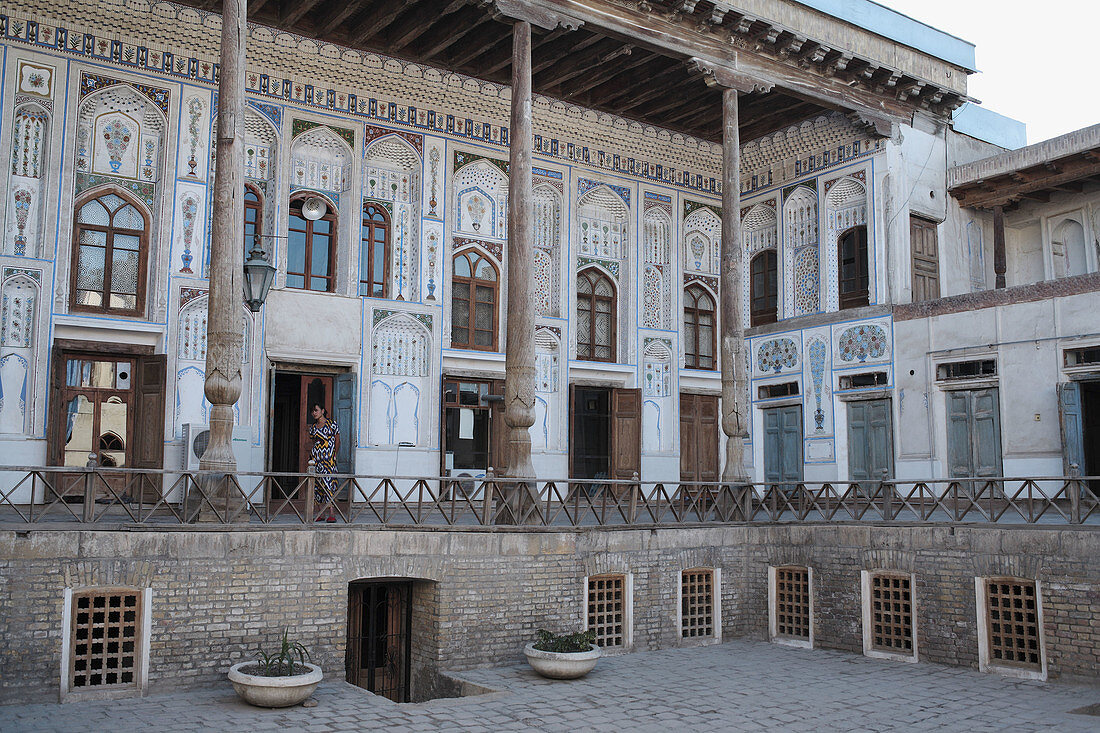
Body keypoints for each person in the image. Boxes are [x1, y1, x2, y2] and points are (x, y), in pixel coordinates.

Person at [307, 403, 340, 522]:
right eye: (312, 411)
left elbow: (337, 440)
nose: (314, 413)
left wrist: (334, 454)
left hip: (329, 459)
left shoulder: (332, 424)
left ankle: (332, 513)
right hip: (316, 459)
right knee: (317, 485)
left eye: (316, 410)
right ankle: (320, 512)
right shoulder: (313, 428)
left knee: (329, 484)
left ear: (322, 410)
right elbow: (314, 442)